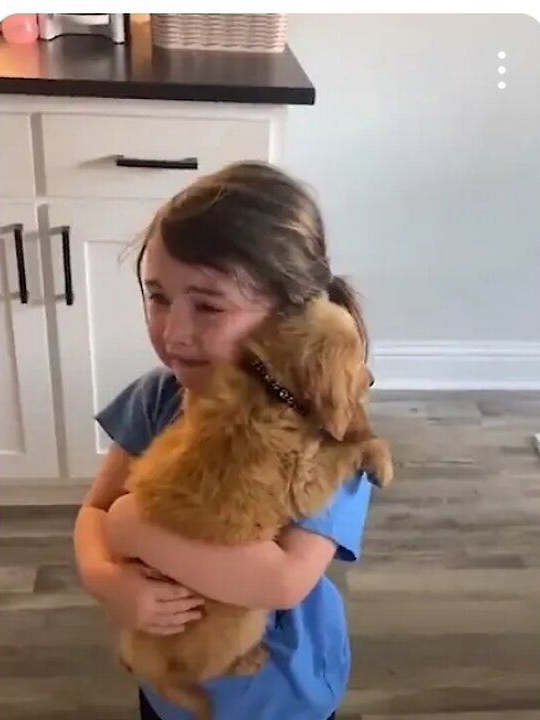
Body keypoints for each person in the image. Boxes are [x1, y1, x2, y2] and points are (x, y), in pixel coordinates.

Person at [71, 161, 377, 720]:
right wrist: (108, 580)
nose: (173, 331)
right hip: (168, 686)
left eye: (208, 305)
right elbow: (94, 508)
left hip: (279, 696)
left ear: (293, 314)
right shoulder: (159, 398)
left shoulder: (328, 432)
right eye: (157, 296)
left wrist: (132, 525)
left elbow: (283, 580)